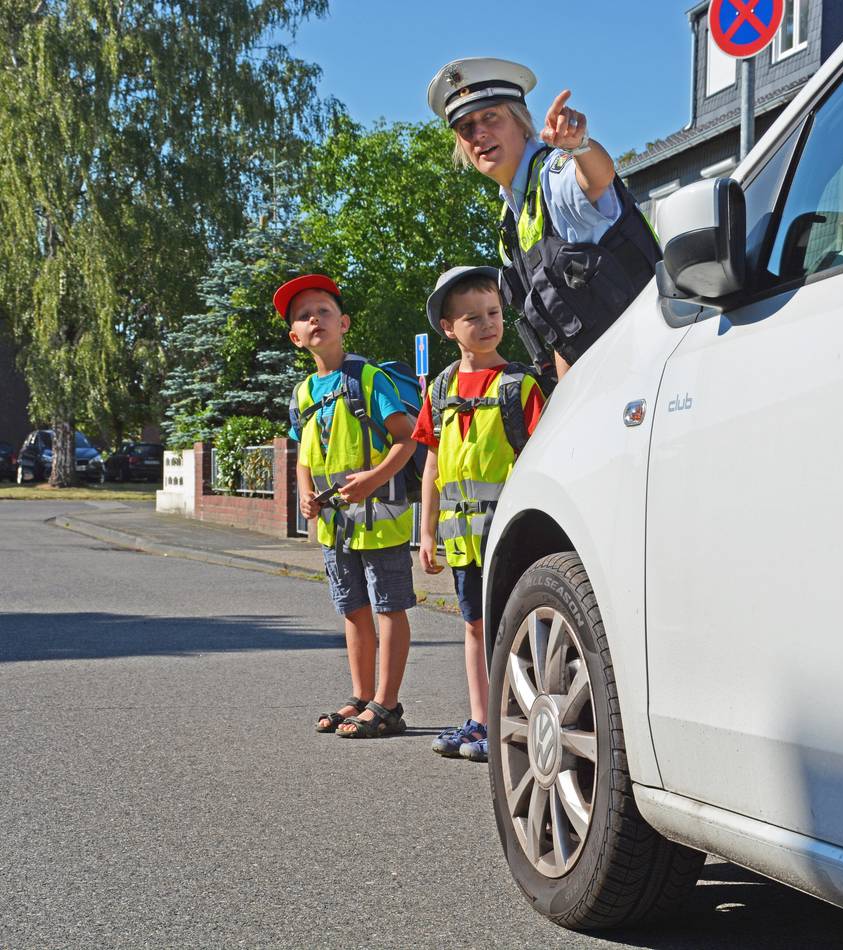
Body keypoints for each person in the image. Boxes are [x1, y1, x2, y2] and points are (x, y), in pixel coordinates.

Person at [427, 58, 661, 380]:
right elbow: (564, 332)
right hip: (606, 383)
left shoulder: (554, 174)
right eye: (466, 128)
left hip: (653, 363)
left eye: (490, 117)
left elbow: (597, 179)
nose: (479, 133)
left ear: (522, 123)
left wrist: (580, 146)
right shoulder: (510, 221)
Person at [274, 273, 417, 739]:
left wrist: (374, 478)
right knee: (353, 608)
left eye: (324, 310)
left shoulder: (366, 378)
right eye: (303, 316)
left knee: (388, 608)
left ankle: (387, 704)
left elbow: (406, 438)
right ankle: (360, 696)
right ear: (295, 338)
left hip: (381, 521)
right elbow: (302, 454)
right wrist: (303, 494)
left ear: (344, 323)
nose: (314, 318)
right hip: (336, 528)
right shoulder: (301, 394)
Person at [413, 265, 545, 762]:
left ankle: (516, 722)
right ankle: (481, 720)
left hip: (510, 538)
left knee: (514, 627)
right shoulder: (441, 389)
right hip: (464, 541)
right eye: (473, 317)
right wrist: (425, 533)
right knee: (474, 627)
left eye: (493, 313)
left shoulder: (519, 386)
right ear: (448, 328)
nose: (488, 324)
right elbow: (431, 464)